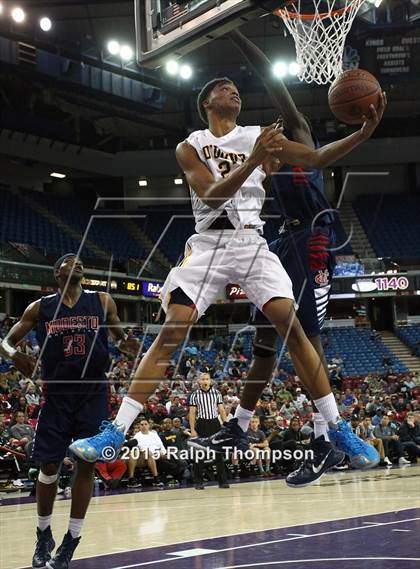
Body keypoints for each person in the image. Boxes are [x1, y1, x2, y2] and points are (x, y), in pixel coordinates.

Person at [71, 66, 383, 476]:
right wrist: (255, 159)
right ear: (207, 102)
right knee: (172, 331)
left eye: (236, 88)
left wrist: (362, 133)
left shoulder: (257, 134)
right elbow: (213, 196)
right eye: (223, 86)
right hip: (208, 245)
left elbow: (317, 157)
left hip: (252, 242)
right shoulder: (191, 146)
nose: (233, 91)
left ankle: (337, 428)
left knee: (291, 326)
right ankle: (115, 430)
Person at [0, 254, 138, 569]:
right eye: (68, 260)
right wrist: (14, 356)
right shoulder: (40, 308)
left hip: (92, 392)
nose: (75, 262)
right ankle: (43, 533)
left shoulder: (102, 301)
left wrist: (128, 344)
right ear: (57, 272)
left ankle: (71, 540)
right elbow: (6, 343)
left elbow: (121, 338)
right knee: (48, 465)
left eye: (79, 260)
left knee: (86, 463)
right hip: (57, 393)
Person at [188, 373, 229, 489]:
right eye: (203, 379)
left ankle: (222, 481)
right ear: (199, 381)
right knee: (200, 453)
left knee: (218, 454)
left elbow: (221, 409)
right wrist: (192, 429)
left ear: (210, 381)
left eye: (207, 379)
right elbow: (192, 413)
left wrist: (225, 424)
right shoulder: (194, 395)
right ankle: (198, 482)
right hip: (201, 423)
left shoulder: (216, 393)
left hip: (215, 423)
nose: (205, 381)